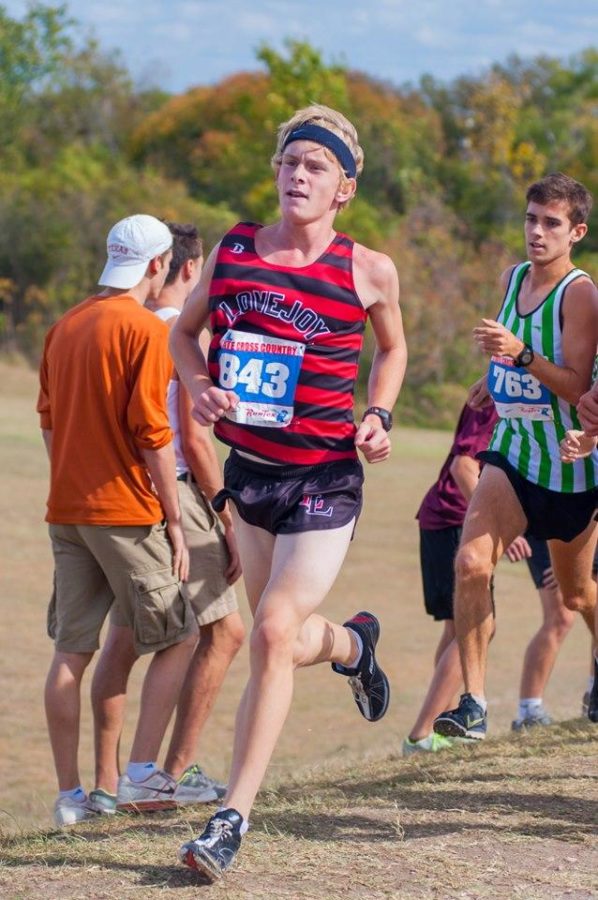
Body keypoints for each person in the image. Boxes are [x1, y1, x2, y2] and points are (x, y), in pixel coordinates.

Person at [169, 104, 407, 880]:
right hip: (251, 479)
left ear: (344, 187)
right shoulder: (235, 249)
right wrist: (201, 385)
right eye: (289, 163)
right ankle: (354, 645)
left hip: (324, 478)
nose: (298, 176)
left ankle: (230, 817)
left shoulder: (366, 268)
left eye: (316, 167)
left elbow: (394, 349)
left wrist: (378, 413)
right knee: (287, 637)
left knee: (269, 631)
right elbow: (184, 334)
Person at [37, 214, 198, 826]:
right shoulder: (145, 329)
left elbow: (48, 419)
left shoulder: (64, 325)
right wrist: (176, 522)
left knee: (71, 653)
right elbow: (154, 433)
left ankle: (71, 796)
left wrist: (69, 479)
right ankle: (140, 776)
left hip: (68, 512)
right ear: (158, 265)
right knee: (179, 636)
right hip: (126, 514)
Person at [432, 172, 598, 742]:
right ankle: (474, 703)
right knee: (472, 564)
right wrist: (491, 378)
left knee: (577, 596)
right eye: (531, 219)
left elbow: (579, 388)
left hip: (573, 468)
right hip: (514, 454)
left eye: (551, 223)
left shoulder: (581, 294)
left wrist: (519, 355)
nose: (537, 232)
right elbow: (511, 358)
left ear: (575, 231)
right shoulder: (511, 279)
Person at [404, 402, 578, 755]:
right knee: (478, 629)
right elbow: (463, 465)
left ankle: (436, 729)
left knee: (458, 629)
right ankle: (422, 735)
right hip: (455, 518)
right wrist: (501, 527)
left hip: (445, 518)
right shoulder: (500, 398)